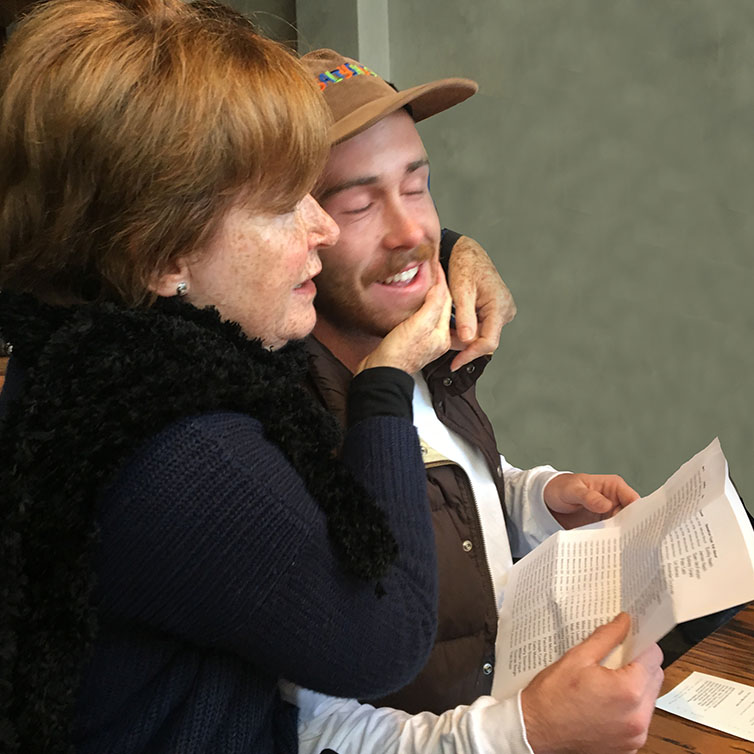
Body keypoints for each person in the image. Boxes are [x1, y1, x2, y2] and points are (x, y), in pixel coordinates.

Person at [0, 3, 456, 752]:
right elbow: (386, 636)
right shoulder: (181, 453)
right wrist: (385, 383)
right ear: (162, 256)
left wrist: (460, 251)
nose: (325, 228)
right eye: (285, 204)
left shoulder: (84, 361)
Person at [280, 49, 664, 754]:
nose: (412, 234)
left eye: (419, 186)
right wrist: (523, 733)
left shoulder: (420, 334)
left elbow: (449, 490)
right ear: (293, 226)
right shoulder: (272, 430)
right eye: (360, 204)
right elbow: (309, 730)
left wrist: (537, 498)